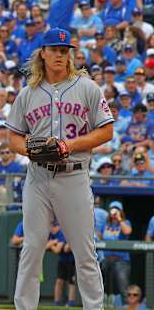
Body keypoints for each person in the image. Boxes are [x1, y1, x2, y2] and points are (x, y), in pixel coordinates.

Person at [6, 27, 113, 310]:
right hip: (38, 177)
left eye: (65, 51)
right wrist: (32, 148)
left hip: (74, 176)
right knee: (31, 248)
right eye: (54, 49)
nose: (60, 55)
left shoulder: (87, 87)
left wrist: (70, 144)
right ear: (43, 53)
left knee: (85, 253)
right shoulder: (27, 93)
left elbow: (106, 131)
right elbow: (13, 137)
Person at [100, 201, 132, 308]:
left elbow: (127, 232)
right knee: (99, 275)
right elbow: (99, 237)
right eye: (112, 209)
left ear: (121, 211)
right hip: (107, 259)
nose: (114, 211)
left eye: (116, 209)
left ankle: (127, 306)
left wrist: (119, 219)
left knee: (123, 285)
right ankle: (100, 303)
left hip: (121, 259)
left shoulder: (125, 222)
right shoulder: (106, 224)